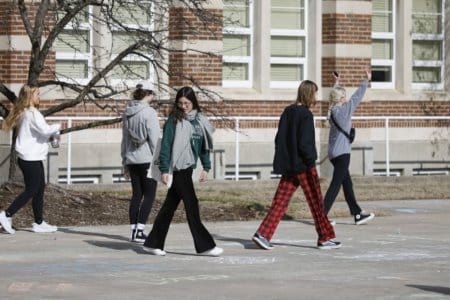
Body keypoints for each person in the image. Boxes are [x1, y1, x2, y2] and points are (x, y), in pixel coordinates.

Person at [252, 80, 341, 250]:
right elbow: (305, 143)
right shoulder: (306, 114)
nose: (316, 97)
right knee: (316, 202)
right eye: (314, 93)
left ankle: (263, 234)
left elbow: (279, 138)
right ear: (309, 94)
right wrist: (311, 161)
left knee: (280, 202)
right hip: (303, 166)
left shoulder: (287, 111)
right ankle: (325, 237)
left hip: (289, 165)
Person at [142, 86, 223, 257]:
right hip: (177, 168)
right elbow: (166, 145)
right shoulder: (174, 120)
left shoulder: (200, 121)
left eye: (186, 103)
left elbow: (203, 147)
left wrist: (206, 167)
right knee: (191, 205)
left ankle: (152, 243)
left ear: (193, 102)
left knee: (169, 207)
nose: (183, 106)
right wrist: (164, 169)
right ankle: (205, 246)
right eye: (180, 103)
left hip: (188, 167)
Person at [0, 85, 60, 234]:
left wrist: (51, 136)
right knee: (32, 189)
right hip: (30, 158)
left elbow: (40, 133)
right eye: (37, 94)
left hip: (33, 157)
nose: (39, 97)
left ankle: (39, 222)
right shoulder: (31, 114)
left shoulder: (27, 113)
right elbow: (45, 130)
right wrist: (58, 126)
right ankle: (6, 215)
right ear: (29, 97)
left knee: (39, 189)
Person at [323, 67, 375, 225]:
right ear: (341, 98)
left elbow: (334, 98)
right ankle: (321, 216)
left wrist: (336, 83)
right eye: (343, 95)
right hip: (342, 154)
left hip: (333, 153)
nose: (346, 98)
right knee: (335, 185)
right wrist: (366, 80)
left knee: (347, 184)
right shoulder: (344, 111)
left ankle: (357, 213)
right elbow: (357, 97)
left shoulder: (332, 111)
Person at [121, 81, 161, 243]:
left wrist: (124, 161)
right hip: (147, 159)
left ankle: (133, 231)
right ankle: (140, 230)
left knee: (137, 195)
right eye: (153, 94)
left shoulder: (127, 112)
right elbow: (155, 139)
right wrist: (160, 160)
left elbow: (124, 140)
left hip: (131, 159)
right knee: (149, 195)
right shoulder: (149, 113)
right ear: (148, 94)